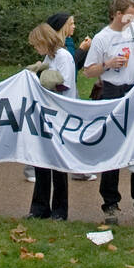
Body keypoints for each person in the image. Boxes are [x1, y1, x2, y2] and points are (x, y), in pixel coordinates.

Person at [83, 0, 134, 223]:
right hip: (112, 92)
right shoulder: (102, 38)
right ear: (117, 14)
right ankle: (110, 204)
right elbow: (87, 71)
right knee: (112, 147)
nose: (132, 19)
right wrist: (107, 64)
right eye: (129, 15)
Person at [26, 23, 75, 220]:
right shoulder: (50, 57)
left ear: (44, 41)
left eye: (37, 45)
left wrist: (45, 78)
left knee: (58, 164)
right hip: (46, 113)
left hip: (60, 114)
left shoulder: (64, 57)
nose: (36, 49)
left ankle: (60, 210)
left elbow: (64, 85)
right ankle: (39, 208)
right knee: (42, 160)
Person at [47, 12, 96, 182]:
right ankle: (33, 168)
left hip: (68, 92)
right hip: (63, 96)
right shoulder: (58, 47)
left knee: (72, 130)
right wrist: (82, 50)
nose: (74, 26)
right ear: (62, 27)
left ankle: (78, 169)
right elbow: (70, 64)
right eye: (71, 23)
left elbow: (73, 67)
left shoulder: (66, 43)